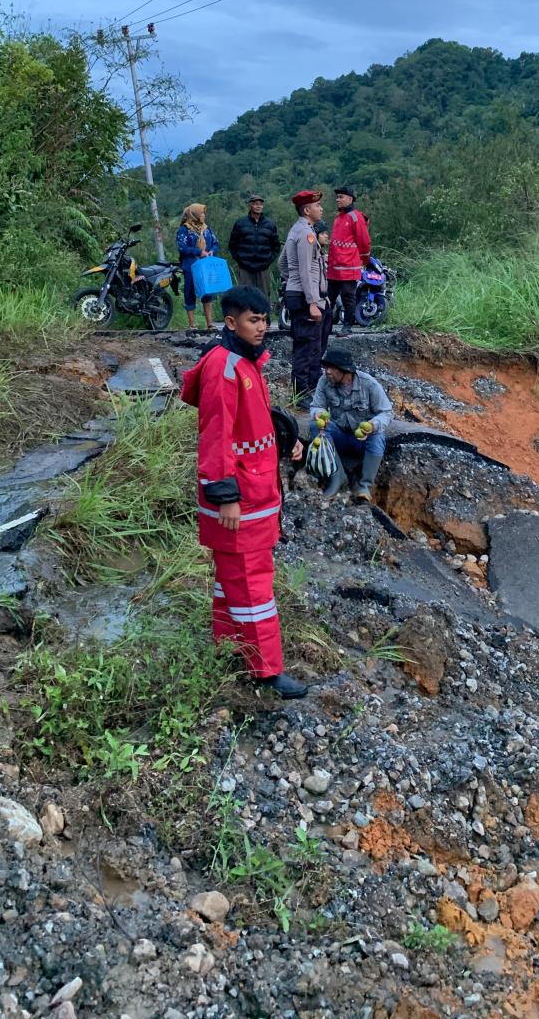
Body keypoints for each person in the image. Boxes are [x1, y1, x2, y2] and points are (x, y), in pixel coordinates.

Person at [180, 286, 307, 699]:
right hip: (240, 498)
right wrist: (226, 497)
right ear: (232, 322)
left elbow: (250, 421)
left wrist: (286, 438)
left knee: (232, 580)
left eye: (264, 319)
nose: (262, 327)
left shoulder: (245, 362)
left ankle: (228, 645)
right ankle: (265, 669)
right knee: (253, 585)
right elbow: (215, 437)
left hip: (253, 490)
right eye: (254, 320)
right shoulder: (225, 367)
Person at [309, 345, 392, 502]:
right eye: (326, 367)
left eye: (332, 368)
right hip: (339, 436)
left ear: (345, 370)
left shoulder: (368, 384)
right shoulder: (324, 381)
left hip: (361, 440)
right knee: (315, 426)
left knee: (378, 436)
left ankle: (365, 486)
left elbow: (386, 412)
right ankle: (337, 477)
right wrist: (318, 413)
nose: (327, 371)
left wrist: (372, 425)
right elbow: (316, 406)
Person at [278, 188, 332, 397]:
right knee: (307, 347)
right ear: (307, 210)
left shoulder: (297, 230)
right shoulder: (306, 233)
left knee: (312, 345)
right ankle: (301, 393)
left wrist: (291, 281)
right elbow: (304, 270)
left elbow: (283, 264)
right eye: (317, 205)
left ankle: (311, 391)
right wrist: (312, 302)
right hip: (305, 297)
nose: (321, 209)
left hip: (301, 293)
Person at [327, 187, 371, 334]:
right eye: (337, 197)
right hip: (334, 267)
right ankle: (326, 327)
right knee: (329, 297)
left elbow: (364, 241)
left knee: (348, 297)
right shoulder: (338, 217)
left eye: (341, 197)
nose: (337, 200)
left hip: (349, 266)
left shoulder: (355, 217)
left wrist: (365, 259)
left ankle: (347, 327)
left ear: (350, 199)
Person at [176, 203, 221, 330]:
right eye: (201, 213)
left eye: (203, 213)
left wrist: (211, 251)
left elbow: (216, 243)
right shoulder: (184, 230)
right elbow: (182, 248)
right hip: (190, 266)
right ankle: (192, 324)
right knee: (190, 292)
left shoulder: (206, 229)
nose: (203, 215)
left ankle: (210, 323)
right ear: (194, 214)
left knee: (207, 292)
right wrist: (198, 252)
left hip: (205, 266)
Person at [228, 193, 280, 298]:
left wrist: (267, 262)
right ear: (250, 205)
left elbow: (276, 246)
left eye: (260, 204)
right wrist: (241, 261)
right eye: (256, 204)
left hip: (263, 269)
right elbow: (232, 245)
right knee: (245, 297)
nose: (259, 206)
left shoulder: (270, 224)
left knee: (263, 297)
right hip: (245, 268)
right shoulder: (240, 223)